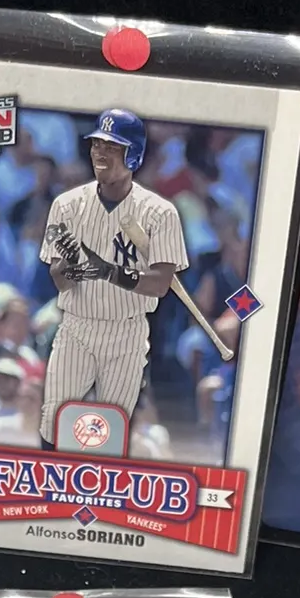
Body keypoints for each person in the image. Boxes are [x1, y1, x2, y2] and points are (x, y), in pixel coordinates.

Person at [38, 109, 187, 445]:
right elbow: (59, 278)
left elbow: (161, 283)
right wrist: (73, 265)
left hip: (127, 331)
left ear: (133, 154)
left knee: (107, 433)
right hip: (77, 326)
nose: (100, 153)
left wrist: (111, 273)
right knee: (55, 424)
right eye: (96, 145)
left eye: (111, 147)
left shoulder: (160, 212)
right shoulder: (66, 205)